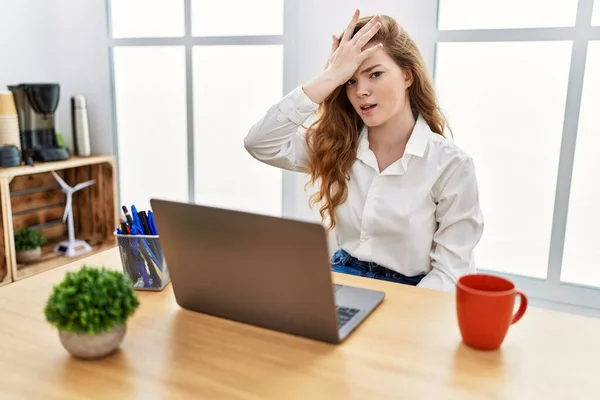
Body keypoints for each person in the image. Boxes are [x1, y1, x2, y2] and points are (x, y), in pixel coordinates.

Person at [243, 10, 484, 292]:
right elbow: (260, 142)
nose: (361, 91)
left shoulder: (451, 165)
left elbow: (449, 271)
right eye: (351, 80)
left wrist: (398, 318)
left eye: (375, 74)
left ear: (407, 76)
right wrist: (330, 77)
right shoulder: (337, 145)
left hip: (414, 292)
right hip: (341, 279)